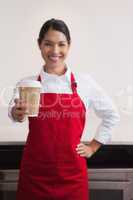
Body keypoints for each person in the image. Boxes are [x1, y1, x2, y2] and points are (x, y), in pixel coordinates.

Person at [8, 18, 120, 200]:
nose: (55, 51)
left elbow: (112, 115)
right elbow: (15, 114)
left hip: (72, 176)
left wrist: (93, 146)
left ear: (69, 45)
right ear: (39, 45)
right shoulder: (27, 84)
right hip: (35, 174)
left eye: (61, 44)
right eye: (48, 44)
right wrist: (16, 113)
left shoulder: (85, 83)